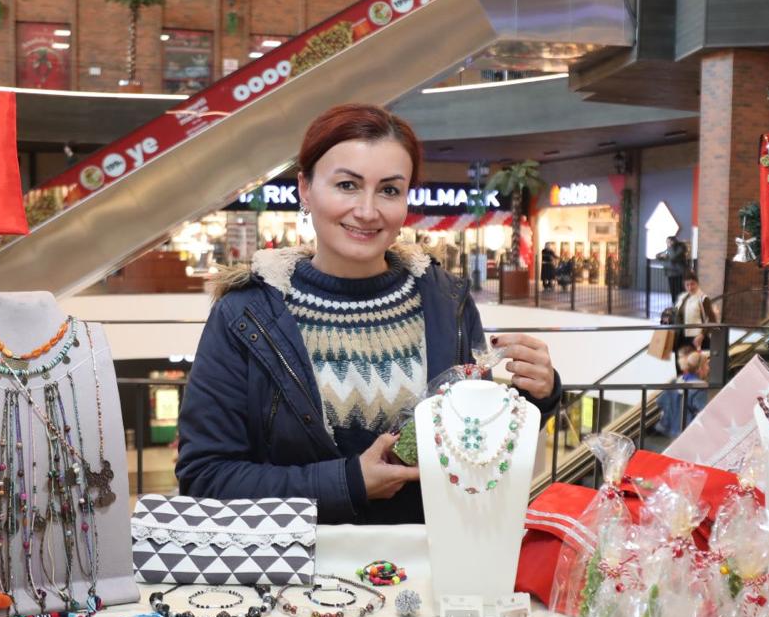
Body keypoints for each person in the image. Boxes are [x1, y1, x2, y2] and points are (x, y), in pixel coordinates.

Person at [176, 104, 562, 524]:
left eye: (389, 190)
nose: (367, 210)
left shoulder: (445, 301)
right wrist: (347, 482)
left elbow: (476, 442)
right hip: (296, 576)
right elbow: (205, 477)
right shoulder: (246, 314)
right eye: (347, 185)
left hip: (429, 565)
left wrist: (535, 396)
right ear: (305, 189)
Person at [656, 349, 708, 438]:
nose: (708, 368)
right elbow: (705, 412)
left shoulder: (675, 381)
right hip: (686, 434)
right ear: (700, 369)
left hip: (667, 429)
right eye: (706, 364)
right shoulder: (699, 389)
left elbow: (660, 401)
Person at [672, 271, 714, 355]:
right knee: (682, 365)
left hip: (696, 338)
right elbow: (677, 315)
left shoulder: (703, 298)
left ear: (697, 283)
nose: (690, 287)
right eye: (687, 285)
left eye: (692, 284)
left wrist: (702, 335)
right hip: (681, 338)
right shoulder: (682, 298)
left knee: (695, 364)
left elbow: (712, 319)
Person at [661, 235, 689, 305]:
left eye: (669, 241)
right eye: (666, 242)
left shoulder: (680, 248)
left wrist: (668, 251)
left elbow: (673, 257)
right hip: (670, 273)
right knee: (673, 290)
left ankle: (680, 305)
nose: (667, 243)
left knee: (679, 290)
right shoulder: (669, 249)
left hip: (679, 273)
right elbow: (659, 255)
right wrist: (661, 255)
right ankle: (675, 305)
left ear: (673, 241)